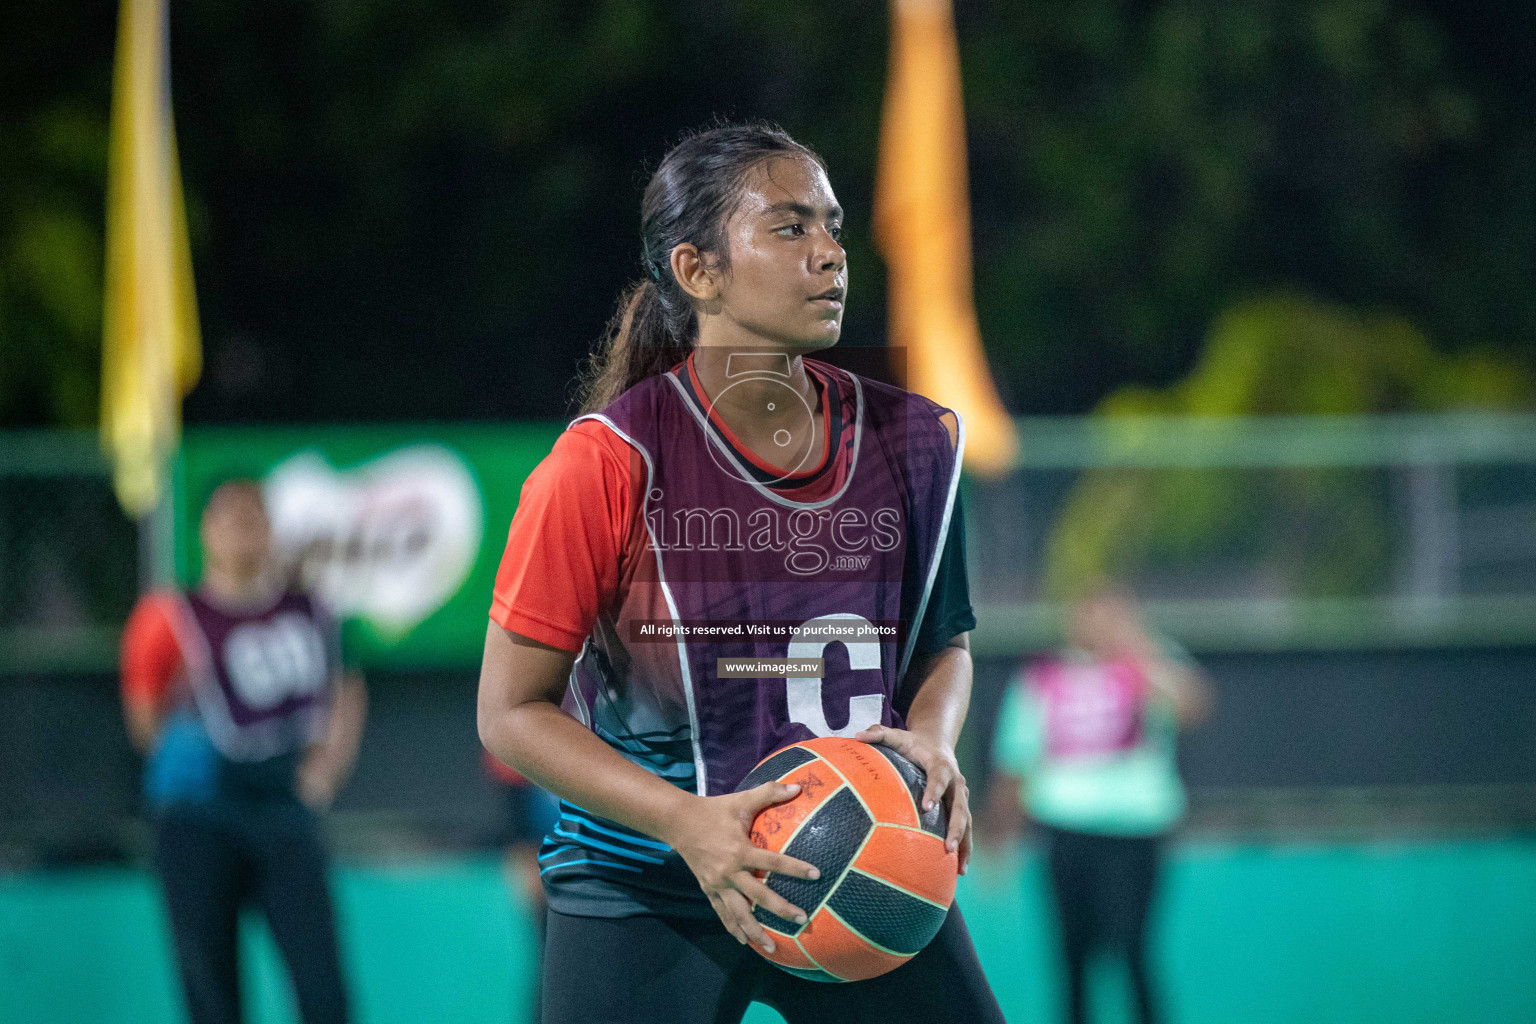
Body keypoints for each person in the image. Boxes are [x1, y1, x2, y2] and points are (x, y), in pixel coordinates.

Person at [477, 122, 1004, 1023]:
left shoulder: (915, 443)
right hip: (650, 882)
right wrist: (689, 823)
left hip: (858, 859)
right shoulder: (605, 465)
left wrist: (936, 738)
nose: (833, 256)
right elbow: (510, 714)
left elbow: (943, 645)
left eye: (833, 227)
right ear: (698, 271)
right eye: (791, 228)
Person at [119, 480, 368, 1024]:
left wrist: (325, 771)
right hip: (198, 815)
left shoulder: (311, 611)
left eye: (254, 517)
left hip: (284, 811)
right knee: (211, 992)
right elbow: (144, 720)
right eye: (228, 518)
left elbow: (347, 687)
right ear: (205, 530)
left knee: (323, 989)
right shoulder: (168, 617)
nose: (242, 531)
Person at [986, 586, 1212, 1024]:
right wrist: (999, 836)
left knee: (1133, 953)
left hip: (1136, 832)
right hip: (1066, 829)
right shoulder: (1042, 677)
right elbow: (1014, 760)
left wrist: (1136, 647)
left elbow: (1193, 707)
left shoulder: (1148, 665)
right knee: (1071, 962)